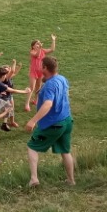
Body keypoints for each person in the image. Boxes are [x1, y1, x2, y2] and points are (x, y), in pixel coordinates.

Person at [24, 56, 74, 187]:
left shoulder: (49, 86)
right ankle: (71, 180)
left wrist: (33, 121)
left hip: (53, 123)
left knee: (32, 147)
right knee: (65, 151)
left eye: (41, 66)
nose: (39, 68)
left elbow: (48, 104)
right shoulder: (62, 79)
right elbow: (64, 94)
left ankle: (34, 179)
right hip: (66, 120)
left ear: (45, 68)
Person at [26, 34, 57, 111]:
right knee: (32, 88)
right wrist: (40, 48)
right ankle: (27, 104)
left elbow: (52, 49)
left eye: (39, 43)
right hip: (33, 72)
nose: (39, 44)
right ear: (33, 46)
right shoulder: (32, 52)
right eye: (37, 43)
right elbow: (37, 55)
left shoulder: (42, 50)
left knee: (38, 87)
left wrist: (53, 40)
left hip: (41, 72)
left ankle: (36, 100)